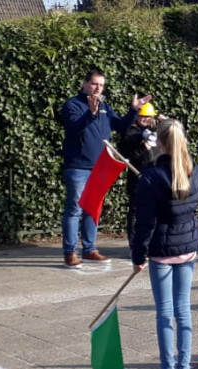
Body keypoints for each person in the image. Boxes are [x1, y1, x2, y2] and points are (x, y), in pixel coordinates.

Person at [131, 120, 198, 369]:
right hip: (187, 246)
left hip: (162, 250)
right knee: (182, 309)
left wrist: (138, 254)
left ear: (159, 142)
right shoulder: (194, 171)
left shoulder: (151, 177)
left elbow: (145, 223)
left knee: (164, 313)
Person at [59, 69, 151, 268]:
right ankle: (70, 253)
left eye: (101, 85)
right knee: (75, 209)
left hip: (101, 165)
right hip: (78, 166)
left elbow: (121, 126)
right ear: (85, 84)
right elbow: (74, 128)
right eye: (94, 84)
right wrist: (90, 114)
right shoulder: (72, 105)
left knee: (93, 208)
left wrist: (133, 110)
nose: (98, 88)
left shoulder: (104, 106)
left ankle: (90, 249)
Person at [116, 102, 162, 238]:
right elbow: (125, 155)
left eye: (148, 116)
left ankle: (150, 243)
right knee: (136, 212)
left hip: (155, 177)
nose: (145, 119)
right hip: (138, 177)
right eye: (142, 116)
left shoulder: (155, 132)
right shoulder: (130, 132)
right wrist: (143, 146)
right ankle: (134, 244)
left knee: (154, 212)